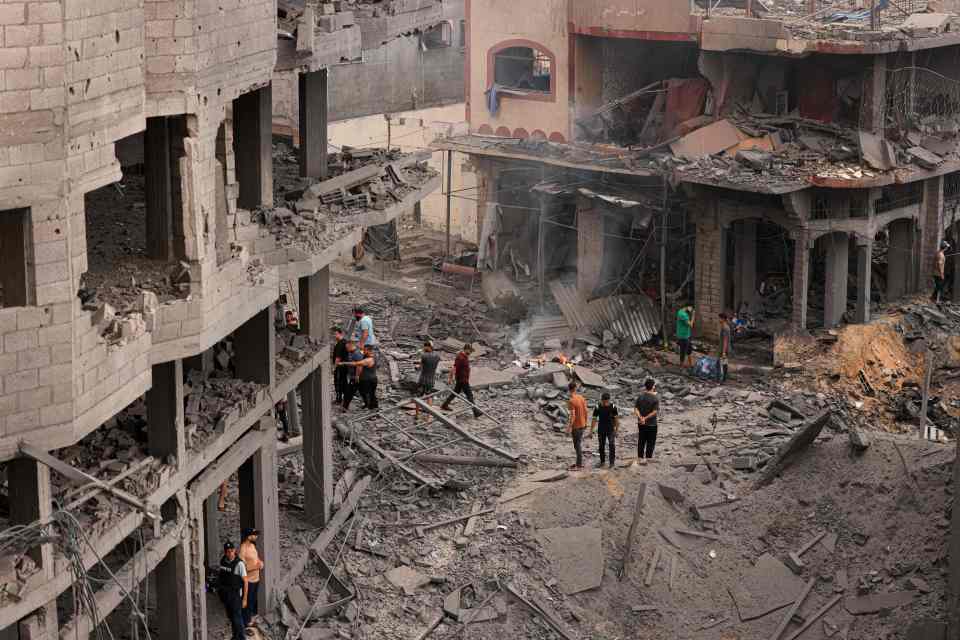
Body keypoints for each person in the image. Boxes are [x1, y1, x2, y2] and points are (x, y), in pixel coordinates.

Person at [440, 343, 482, 418]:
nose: (471, 353)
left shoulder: (465, 357)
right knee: (469, 395)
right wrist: (450, 378)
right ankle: (475, 411)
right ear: (466, 349)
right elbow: (454, 368)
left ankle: (444, 405)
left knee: (455, 392)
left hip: (462, 379)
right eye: (470, 351)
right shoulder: (460, 357)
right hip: (462, 380)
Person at [217, 541, 248, 640]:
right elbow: (222, 577)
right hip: (226, 595)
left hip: (235, 596)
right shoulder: (223, 561)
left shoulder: (239, 564)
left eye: (232, 551)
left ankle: (242, 638)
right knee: (231, 618)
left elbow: (245, 582)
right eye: (228, 551)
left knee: (237, 619)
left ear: (235, 551)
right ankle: (235, 637)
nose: (230, 553)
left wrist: (244, 599)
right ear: (225, 552)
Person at [239, 528, 263, 628]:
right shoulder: (243, 549)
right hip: (248, 581)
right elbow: (242, 569)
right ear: (249, 536)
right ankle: (246, 623)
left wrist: (260, 563)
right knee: (247, 602)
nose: (256, 536)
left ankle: (249, 619)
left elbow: (256, 558)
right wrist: (255, 567)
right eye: (254, 534)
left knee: (252, 600)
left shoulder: (253, 546)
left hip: (256, 578)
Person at [634, 378, 659, 465]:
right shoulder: (655, 398)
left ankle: (640, 457)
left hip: (641, 423)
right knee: (651, 441)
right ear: (652, 387)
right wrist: (645, 418)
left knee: (641, 440)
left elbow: (636, 408)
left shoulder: (640, 396)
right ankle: (648, 458)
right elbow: (655, 411)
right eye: (654, 385)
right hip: (652, 424)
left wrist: (641, 418)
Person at [590, 392, 619, 469]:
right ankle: (602, 461)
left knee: (612, 445)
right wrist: (591, 431)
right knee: (601, 446)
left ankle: (612, 463)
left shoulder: (613, 407)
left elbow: (616, 419)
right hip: (601, 430)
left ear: (609, 400)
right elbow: (594, 419)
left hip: (610, 430)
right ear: (602, 400)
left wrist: (616, 430)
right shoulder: (597, 407)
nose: (606, 403)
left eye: (607, 401)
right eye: (604, 401)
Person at [565, 382, 589, 471]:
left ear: (569, 389)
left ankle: (579, 465)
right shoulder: (581, 398)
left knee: (577, 445)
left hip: (576, 427)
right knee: (578, 444)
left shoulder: (571, 401)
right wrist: (586, 422)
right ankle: (579, 463)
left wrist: (569, 427)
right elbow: (586, 411)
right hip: (582, 425)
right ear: (575, 388)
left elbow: (573, 415)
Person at [339, 340, 364, 410]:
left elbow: (359, 366)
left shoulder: (357, 354)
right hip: (353, 376)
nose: (346, 349)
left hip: (356, 377)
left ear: (351, 345)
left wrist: (357, 376)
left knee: (349, 392)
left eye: (347, 347)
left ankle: (344, 407)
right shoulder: (351, 352)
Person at [354, 344, 379, 410]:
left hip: (366, 379)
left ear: (369, 350)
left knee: (366, 393)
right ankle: (372, 406)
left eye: (365, 350)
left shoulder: (368, 358)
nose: (363, 351)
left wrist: (357, 376)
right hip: (372, 378)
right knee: (370, 393)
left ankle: (372, 408)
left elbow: (360, 367)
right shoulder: (374, 356)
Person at [332, 326, 348, 405]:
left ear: (340, 334)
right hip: (344, 367)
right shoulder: (345, 342)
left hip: (340, 367)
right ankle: (344, 398)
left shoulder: (340, 344)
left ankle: (339, 399)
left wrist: (334, 368)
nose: (334, 336)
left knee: (338, 383)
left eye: (335, 334)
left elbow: (338, 358)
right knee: (343, 382)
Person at [676, 304, 695, 369]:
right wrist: (693, 316)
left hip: (687, 335)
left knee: (689, 350)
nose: (691, 310)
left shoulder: (681, 311)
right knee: (683, 352)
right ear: (688, 307)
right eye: (691, 308)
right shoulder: (683, 314)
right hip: (683, 336)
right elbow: (691, 325)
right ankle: (681, 367)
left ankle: (691, 365)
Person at [717, 312, 731, 384]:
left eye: (719, 318)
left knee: (722, 364)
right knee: (723, 363)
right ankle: (723, 378)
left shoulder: (725, 328)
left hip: (724, 349)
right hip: (724, 348)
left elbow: (725, 341)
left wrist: (723, 352)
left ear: (723, 319)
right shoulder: (725, 326)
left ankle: (722, 379)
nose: (718, 319)